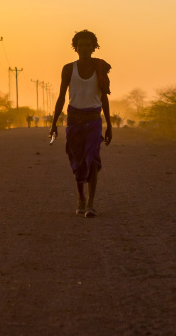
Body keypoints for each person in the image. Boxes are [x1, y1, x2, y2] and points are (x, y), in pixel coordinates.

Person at [49, 30, 112, 218]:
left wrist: (109, 124)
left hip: (93, 119)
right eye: (81, 45)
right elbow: (61, 97)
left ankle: (91, 204)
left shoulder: (100, 67)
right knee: (77, 160)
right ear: (75, 48)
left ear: (94, 47)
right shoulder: (68, 69)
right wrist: (54, 124)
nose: (84, 48)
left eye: (88, 45)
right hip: (74, 119)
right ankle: (81, 198)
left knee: (92, 159)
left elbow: (105, 98)